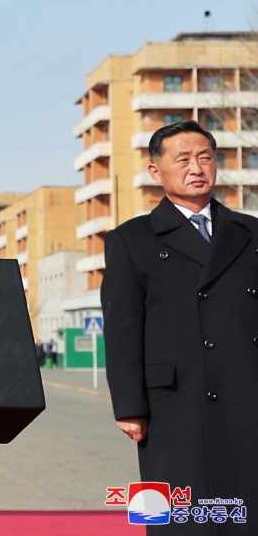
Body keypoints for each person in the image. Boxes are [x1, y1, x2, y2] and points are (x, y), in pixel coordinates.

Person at [102, 120, 258, 532]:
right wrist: (130, 407)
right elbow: (121, 329)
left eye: (205, 157)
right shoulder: (131, 239)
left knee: (247, 508)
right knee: (178, 514)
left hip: (248, 390)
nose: (196, 167)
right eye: (183, 159)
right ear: (157, 172)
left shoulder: (250, 232)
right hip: (174, 401)